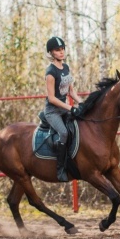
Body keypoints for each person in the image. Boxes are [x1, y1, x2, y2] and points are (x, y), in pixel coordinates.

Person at [44, 36, 83, 182]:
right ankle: (60, 169)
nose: (61, 52)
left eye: (62, 49)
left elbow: (71, 91)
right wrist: (70, 107)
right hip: (52, 111)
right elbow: (52, 98)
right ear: (51, 53)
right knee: (64, 133)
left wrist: (81, 102)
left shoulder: (66, 68)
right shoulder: (50, 72)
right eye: (57, 50)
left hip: (64, 108)